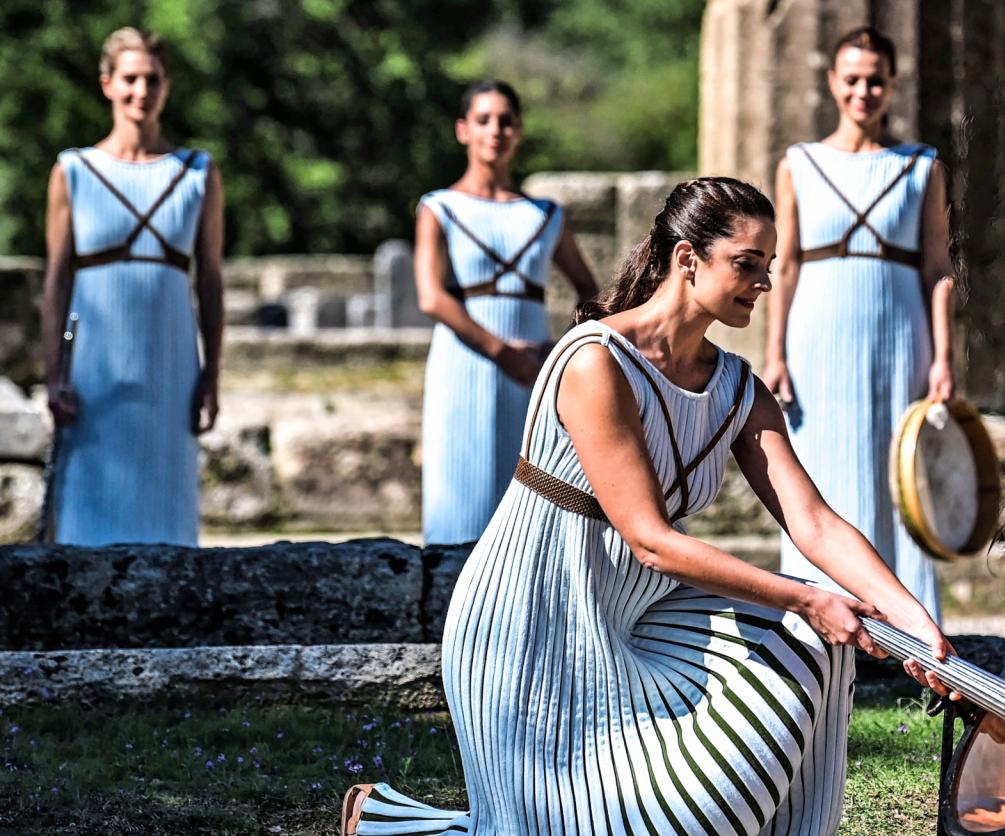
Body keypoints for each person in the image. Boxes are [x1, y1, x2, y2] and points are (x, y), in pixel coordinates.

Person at [342, 177, 952, 835]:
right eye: (747, 263)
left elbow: (816, 523)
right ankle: (386, 822)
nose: (764, 282)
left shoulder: (738, 388)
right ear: (688, 258)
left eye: (769, 265)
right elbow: (649, 540)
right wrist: (807, 597)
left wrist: (912, 618)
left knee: (814, 644)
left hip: (640, 619)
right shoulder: (595, 362)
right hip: (532, 626)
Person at [764, 26, 956, 620]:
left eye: (875, 80)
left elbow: (938, 270)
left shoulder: (921, 166)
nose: (863, 91)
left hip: (901, 335)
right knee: (820, 466)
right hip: (817, 334)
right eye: (852, 79)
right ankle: (821, 616)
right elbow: (785, 265)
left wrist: (944, 358)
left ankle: (910, 624)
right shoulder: (799, 164)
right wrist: (775, 354)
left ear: (892, 85)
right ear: (832, 82)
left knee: (900, 474)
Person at [40, 27, 224, 546]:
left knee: (167, 505)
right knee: (88, 508)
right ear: (107, 84)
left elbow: (210, 279)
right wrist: (52, 374)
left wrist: (212, 373)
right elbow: (57, 280)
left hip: (171, 365)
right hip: (94, 370)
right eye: (130, 79)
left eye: (153, 80)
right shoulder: (74, 170)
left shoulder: (197, 173)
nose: (141, 91)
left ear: (167, 86)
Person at [416, 81, 599, 545]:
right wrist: (502, 351)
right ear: (463, 130)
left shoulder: (545, 214)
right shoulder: (439, 207)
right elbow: (431, 296)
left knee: (526, 499)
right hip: (465, 363)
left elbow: (588, 290)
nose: (495, 130)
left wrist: (562, 353)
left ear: (519, 130)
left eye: (506, 120)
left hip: (532, 370)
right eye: (483, 120)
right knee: (459, 496)